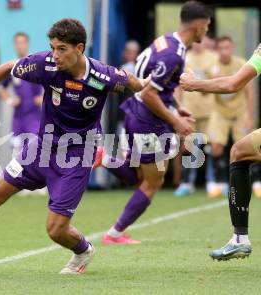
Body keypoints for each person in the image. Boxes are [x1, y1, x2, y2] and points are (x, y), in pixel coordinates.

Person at [0, 18, 148, 274]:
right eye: (52, 47)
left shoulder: (103, 76)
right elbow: (8, 67)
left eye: (62, 48)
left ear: (79, 48)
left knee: (56, 230)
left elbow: (133, 83)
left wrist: (146, 88)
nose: (55, 55)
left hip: (76, 157)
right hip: (42, 148)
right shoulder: (46, 65)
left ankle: (83, 250)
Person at [93, 1, 212, 244]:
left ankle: (107, 160)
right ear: (198, 25)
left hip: (139, 114)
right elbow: (149, 93)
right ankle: (114, 233)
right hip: (148, 121)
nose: (207, 31)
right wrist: (176, 121)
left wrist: (178, 106)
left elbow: (159, 82)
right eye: (207, 26)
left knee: (142, 178)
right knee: (152, 181)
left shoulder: (167, 40)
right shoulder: (173, 54)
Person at [180, 42, 261, 260]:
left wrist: (194, 84)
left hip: (236, 113)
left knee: (238, 151)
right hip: (222, 114)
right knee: (240, 151)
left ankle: (240, 239)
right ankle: (239, 240)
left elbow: (234, 84)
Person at [204, 36, 255, 198]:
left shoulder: (241, 64)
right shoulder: (211, 68)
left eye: (227, 47)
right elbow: (206, 90)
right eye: (221, 48)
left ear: (232, 48)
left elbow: (251, 92)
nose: (224, 51)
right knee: (216, 147)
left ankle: (255, 182)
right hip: (220, 113)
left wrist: (250, 117)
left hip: (239, 113)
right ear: (217, 50)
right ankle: (221, 183)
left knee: (247, 148)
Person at [173, 37, 218, 197]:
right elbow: (177, 85)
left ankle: (212, 182)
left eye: (203, 40)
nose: (200, 43)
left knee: (212, 147)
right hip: (190, 111)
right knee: (188, 147)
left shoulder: (213, 58)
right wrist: (178, 106)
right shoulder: (185, 58)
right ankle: (187, 182)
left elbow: (218, 82)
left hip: (210, 111)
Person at [0, 32, 43, 150]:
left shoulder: (36, 64)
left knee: (34, 149)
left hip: (34, 114)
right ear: (14, 45)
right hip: (18, 116)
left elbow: (53, 83)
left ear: (27, 44)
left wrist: (45, 98)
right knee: (16, 149)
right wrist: (9, 100)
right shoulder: (12, 66)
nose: (20, 45)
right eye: (18, 43)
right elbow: (1, 87)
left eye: (23, 42)